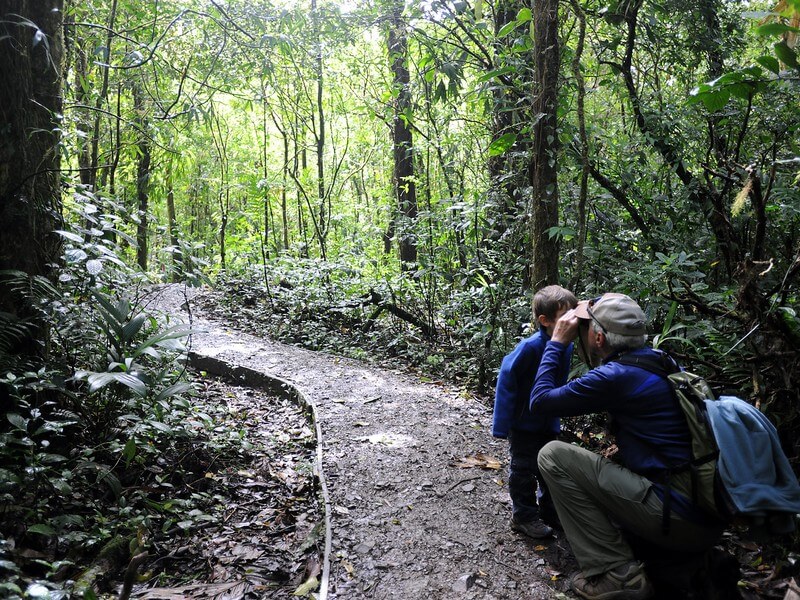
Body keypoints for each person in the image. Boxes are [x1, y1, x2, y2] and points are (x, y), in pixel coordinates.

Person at [530, 293, 725, 600]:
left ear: (597, 338)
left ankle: (616, 575)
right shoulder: (660, 360)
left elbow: (540, 402)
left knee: (553, 455)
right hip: (704, 516)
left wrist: (556, 343)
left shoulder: (615, 376)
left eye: (581, 328)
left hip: (678, 517)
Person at [492, 285, 577, 539]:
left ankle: (549, 512)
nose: (571, 322)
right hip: (523, 423)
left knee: (549, 468)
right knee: (523, 468)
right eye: (566, 317)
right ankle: (524, 516)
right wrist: (502, 423)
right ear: (545, 320)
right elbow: (507, 379)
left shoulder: (565, 346)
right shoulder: (530, 347)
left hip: (547, 420)